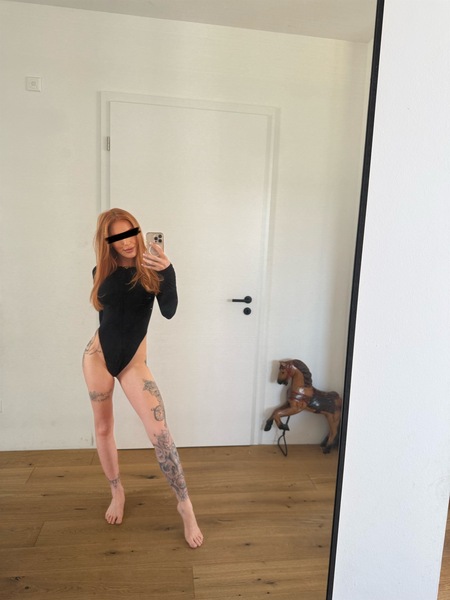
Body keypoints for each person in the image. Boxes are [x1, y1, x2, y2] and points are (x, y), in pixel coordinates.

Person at [82, 208, 203, 549]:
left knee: (161, 435)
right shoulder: (100, 271)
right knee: (103, 428)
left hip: (133, 364)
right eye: (117, 237)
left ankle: (185, 506)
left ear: (138, 232)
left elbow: (169, 311)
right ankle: (116, 491)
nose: (126, 242)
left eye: (130, 233)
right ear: (108, 242)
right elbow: (108, 318)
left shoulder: (152, 270)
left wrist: (168, 271)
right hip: (97, 358)